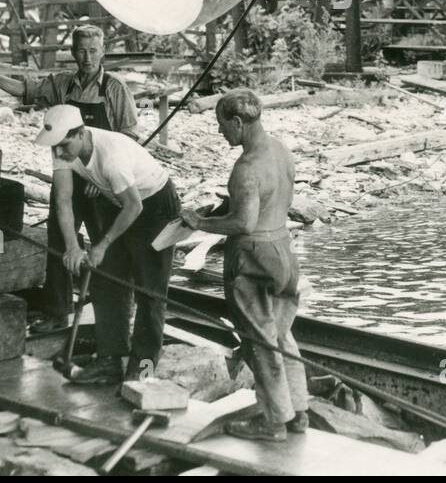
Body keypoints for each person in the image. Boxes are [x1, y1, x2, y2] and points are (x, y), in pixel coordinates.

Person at [180, 89, 308, 441]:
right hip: (284, 249)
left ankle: (274, 422)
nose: (221, 132)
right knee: (282, 334)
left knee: (259, 341)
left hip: (254, 255)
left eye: (222, 125)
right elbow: (272, 202)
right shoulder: (280, 149)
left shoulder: (246, 168)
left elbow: (244, 224)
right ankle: (298, 412)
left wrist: (199, 223)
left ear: (237, 122)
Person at [0, 26, 139, 331]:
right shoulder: (61, 84)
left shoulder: (115, 88)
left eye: (93, 51)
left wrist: (104, 182)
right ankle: (57, 312)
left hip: (104, 179)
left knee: (108, 248)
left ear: (103, 53)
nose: (87, 58)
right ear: (73, 52)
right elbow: (25, 91)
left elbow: (130, 137)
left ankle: (116, 318)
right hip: (69, 172)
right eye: (82, 51)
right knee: (59, 241)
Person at [36, 103, 180, 384]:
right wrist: (71, 246)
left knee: (149, 289)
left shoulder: (111, 157)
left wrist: (101, 245)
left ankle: (144, 364)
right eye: (55, 147)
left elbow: (134, 207)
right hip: (121, 202)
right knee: (106, 279)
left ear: (81, 134)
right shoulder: (62, 147)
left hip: (154, 206)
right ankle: (110, 359)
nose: (59, 153)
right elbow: (63, 200)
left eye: (64, 146)